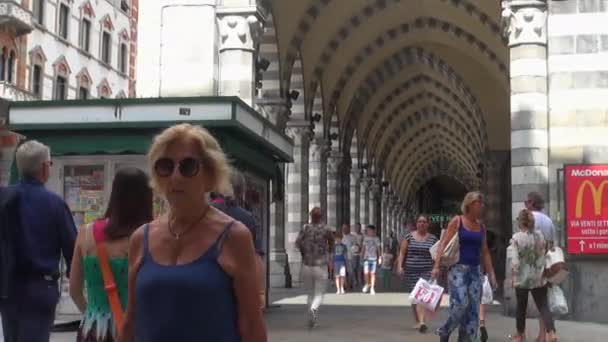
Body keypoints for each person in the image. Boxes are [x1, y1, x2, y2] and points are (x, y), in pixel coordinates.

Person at [118, 123, 266, 342]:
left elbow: (252, 326)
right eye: (166, 166)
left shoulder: (234, 236)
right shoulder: (141, 238)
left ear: (210, 174)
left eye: (188, 167)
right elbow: (131, 321)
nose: (175, 177)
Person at [0, 140, 77, 342]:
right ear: (44, 167)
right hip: (41, 290)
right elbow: (73, 251)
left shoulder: (3, 198)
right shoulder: (55, 204)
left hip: (7, 287)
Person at [69, 167, 153, 341]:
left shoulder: (86, 233)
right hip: (137, 330)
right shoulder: (150, 236)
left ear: (114, 195)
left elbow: (75, 291)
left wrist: (92, 315)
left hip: (93, 329)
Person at [433, 191, 497, 342]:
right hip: (457, 270)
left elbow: (485, 251)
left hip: (475, 271)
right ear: (469, 205)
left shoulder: (481, 227)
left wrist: (491, 273)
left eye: (482, 203)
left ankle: (467, 338)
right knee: (461, 304)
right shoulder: (457, 221)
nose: (481, 206)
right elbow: (443, 243)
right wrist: (436, 266)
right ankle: (445, 330)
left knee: (473, 310)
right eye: (478, 203)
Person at [210, 169, 266, 311]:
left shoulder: (203, 214)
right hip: (238, 287)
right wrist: (259, 294)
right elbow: (256, 256)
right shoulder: (248, 218)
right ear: (240, 191)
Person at [510, 209, 558, 342]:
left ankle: (520, 336)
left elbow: (515, 262)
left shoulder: (516, 238)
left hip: (522, 278)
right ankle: (551, 332)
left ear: (520, 222)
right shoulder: (540, 236)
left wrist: (513, 277)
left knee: (521, 307)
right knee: (543, 305)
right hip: (538, 276)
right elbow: (545, 252)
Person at [397, 214, 438, 333]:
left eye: (424, 222)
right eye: (420, 221)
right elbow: (402, 253)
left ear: (428, 224)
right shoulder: (409, 237)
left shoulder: (433, 239)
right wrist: (400, 266)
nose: (422, 223)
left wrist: (436, 268)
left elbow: (437, 256)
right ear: (416, 223)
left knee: (422, 296)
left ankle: (422, 322)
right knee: (414, 298)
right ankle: (418, 321)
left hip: (426, 271)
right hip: (411, 271)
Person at [525, 191, 557, 342]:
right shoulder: (548, 220)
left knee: (541, 302)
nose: (525, 205)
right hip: (546, 266)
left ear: (532, 203)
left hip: (531, 267)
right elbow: (551, 246)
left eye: (526, 202)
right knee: (543, 300)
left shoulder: (528, 219)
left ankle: (551, 333)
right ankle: (542, 335)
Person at [296, 207, 334, 328]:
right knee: (319, 294)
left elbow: (298, 243)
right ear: (321, 217)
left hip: (307, 265)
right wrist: (329, 256)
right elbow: (332, 244)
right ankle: (313, 311)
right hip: (320, 265)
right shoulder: (326, 229)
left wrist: (304, 254)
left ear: (310, 216)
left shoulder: (305, 228)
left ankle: (312, 316)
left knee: (310, 294)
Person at [361, 225, 381, 295]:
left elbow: (378, 249)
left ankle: (372, 287)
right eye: (368, 231)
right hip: (366, 258)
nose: (368, 232)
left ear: (373, 231)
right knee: (366, 273)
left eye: (370, 230)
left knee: (372, 273)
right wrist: (361, 256)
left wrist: (380, 257)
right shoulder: (365, 238)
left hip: (374, 258)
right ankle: (367, 284)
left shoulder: (376, 239)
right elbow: (363, 248)